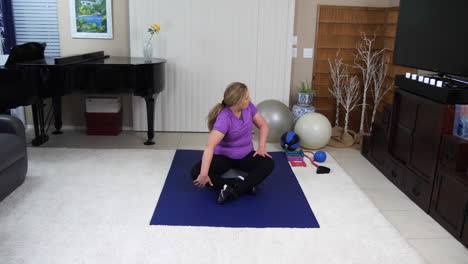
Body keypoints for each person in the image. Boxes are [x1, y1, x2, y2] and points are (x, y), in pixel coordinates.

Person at [191, 82, 275, 204]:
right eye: (246, 98)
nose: (250, 99)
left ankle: (234, 189)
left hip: (246, 155)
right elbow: (210, 147)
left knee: (268, 163)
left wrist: (261, 147)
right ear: (237, 101)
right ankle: (243, 186)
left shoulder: (249, 107)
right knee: (196, 172)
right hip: (223, 157)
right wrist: (204, 174)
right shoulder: (224, 118)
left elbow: (263, 125)